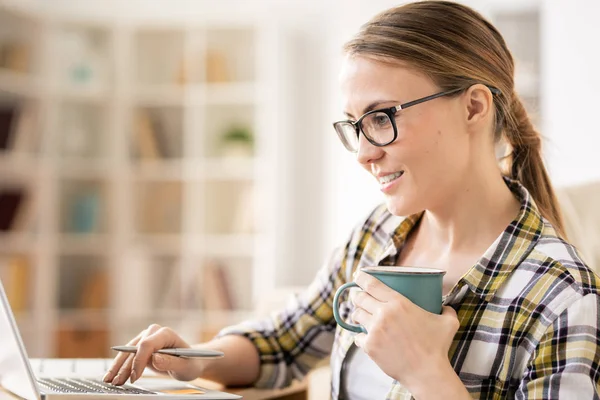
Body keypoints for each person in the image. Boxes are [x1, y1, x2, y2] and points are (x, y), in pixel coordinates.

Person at [103, 1, 600, 399]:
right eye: (354, 125)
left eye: (382, 117)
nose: (363, 152)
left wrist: (428, 375)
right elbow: (284, 344)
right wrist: (192, 359)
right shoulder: (377, 234)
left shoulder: (561, 297)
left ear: (473, 106)